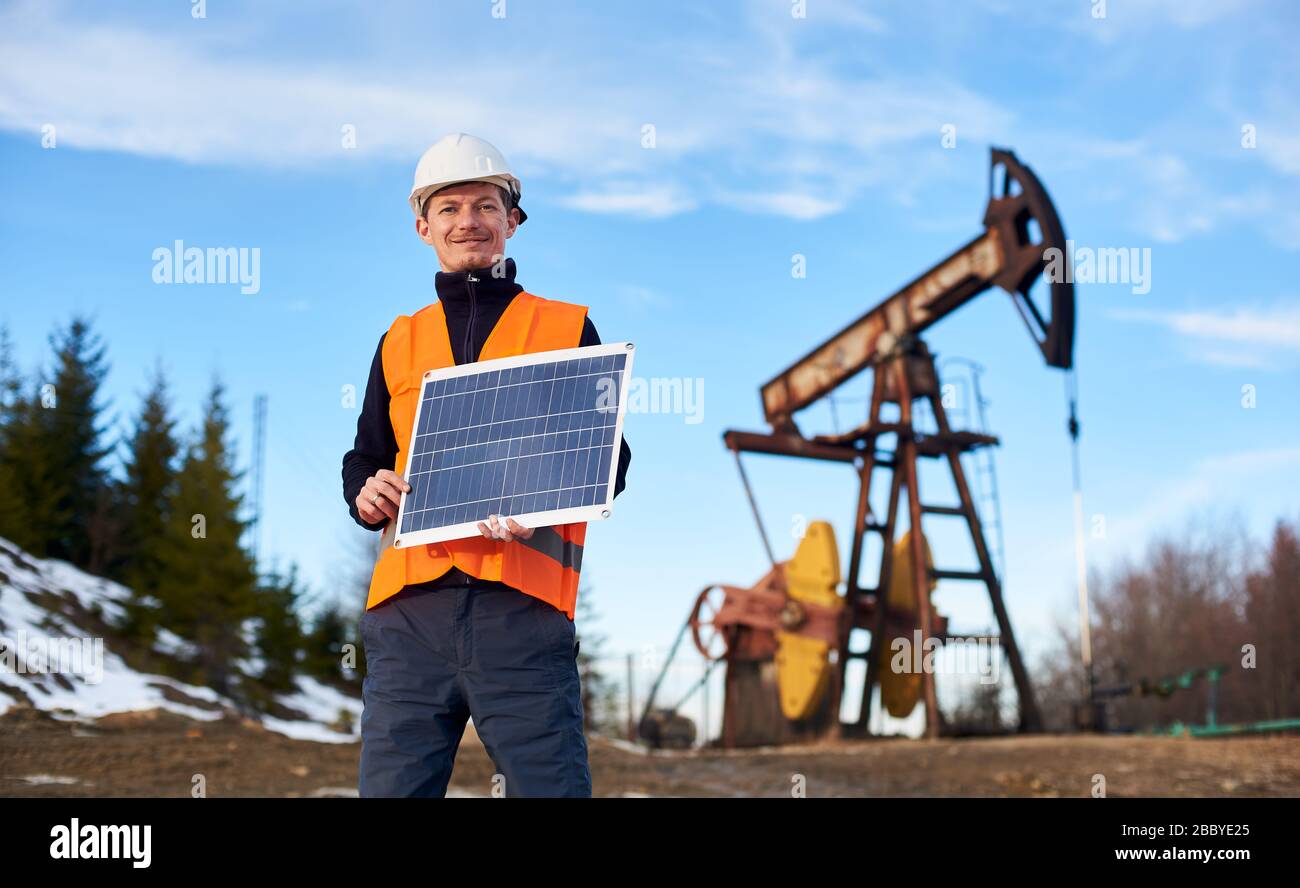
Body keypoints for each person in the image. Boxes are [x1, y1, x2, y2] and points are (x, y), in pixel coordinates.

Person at [341, 133, 630, 797]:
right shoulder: (399, 339)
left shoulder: (566, 327)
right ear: (424, 227)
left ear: (511, 222)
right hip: (408, 618)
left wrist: (542, 497)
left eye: (484, 205)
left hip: (521, 612)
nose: (467, 220)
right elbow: (364, 458)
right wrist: (366, 492)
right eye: (448, 209)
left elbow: (608, 459)